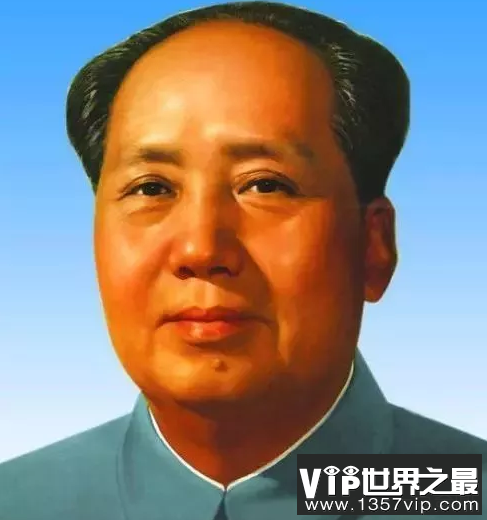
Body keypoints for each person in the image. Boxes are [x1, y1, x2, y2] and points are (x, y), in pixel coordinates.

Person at [1, 2, 485, 519]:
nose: (201, 250)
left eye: (266, 185)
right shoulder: (20, 502)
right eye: (152, 188)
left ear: (373, 246)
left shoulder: (457, 496)